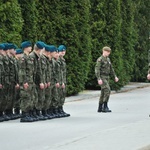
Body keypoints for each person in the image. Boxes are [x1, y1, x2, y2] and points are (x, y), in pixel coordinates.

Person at [95, 46, 119, 113]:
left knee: (103, 92)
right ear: (104, 51)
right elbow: (97, 69)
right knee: (107, 90)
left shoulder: (108, 59)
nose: (108, 53)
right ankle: (105, 106)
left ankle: (100, 107)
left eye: (109, 52)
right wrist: (99, 78)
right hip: (102, 77)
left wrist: (115, 76)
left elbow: (111, 69)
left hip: (107, 77)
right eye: (107, 52)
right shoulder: (100, 59)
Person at [57, 45, 70, 117]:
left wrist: (64, 82)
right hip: (59, 80)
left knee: (62, 95)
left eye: (64, 51)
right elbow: (58, 73)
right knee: (58, 96)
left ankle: (60, 109)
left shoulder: (63, 60)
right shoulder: (57, 60)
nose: (63, 52)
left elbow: (63, 72)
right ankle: (57, 109)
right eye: (61, 51)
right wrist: (60, 82)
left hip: (63, 81)